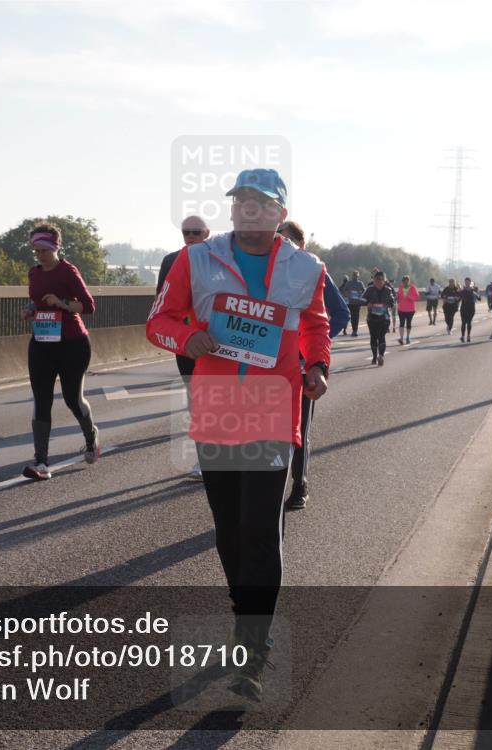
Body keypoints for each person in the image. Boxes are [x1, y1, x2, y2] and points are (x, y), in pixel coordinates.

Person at [146, 168, 330, 702]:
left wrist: (317, 366)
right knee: (228, 529)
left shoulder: (306, 266)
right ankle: (241, 614)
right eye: (242, 201)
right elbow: (158, 321)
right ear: (232, 209)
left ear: (280, 213)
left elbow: (316, 324)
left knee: (260, 528)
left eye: (262, 203)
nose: (250, 209)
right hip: (218, 407)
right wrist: (188, 337)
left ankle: (254, 645)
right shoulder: (196, 259)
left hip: (274, 408)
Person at [277, 220, 348, 511]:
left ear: (301, 246)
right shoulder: (267, 271)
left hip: (302, 367)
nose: (281, 246)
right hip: (270, 366)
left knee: (299, 428)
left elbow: (341, 313)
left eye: (287, 241)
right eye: (277, 240)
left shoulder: (312, 271)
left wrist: (310, 348)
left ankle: (300, 485)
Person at [21, 222, 100, 480]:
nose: (40, 255)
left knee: (72, 400)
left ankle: (91, 438)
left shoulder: (68, 271)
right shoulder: (34, 273)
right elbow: (37, 298)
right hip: (42, 343)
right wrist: (30, 309)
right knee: (41, 400)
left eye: (44, 249)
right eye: (36, 250)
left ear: (55, 247)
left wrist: (62, 303)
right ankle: (41, 462)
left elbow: (88, 306)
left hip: (72, 344)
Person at [158, 216, 211, 481]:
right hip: (187, 346)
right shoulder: (170, 261)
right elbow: (161, 306)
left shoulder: (218, 259)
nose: (190, 236)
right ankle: (203, 460)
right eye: (186, 232)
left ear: (207, 233)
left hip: (217, 344)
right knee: (195, 400)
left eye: (196, 232)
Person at [362, 269, 396, 365]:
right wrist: (367, 303)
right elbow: (362, 299)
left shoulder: (388, 290)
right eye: (377, 279)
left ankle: (381, 356)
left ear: (384, 280)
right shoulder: (369, 289)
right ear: (374, 280)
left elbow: (392, 302)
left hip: (384, 318)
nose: (379, 281)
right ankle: (374, 356)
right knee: (373, 337)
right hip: (371, 318)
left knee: (381, 336)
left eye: (382, 279)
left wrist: (388, 305)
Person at [396, 275, 420, 344]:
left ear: (409, 281)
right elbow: (398, 295)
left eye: (407, 281)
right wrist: (397, 296)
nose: (406, 283)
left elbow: (417, 297)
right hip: (401, 309)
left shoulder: (413, 288)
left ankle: (407, 337)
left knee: (408, 323)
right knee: (401, 323)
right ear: (402, 282)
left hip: (410, 309)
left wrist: (409, 297)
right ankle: (401, 338)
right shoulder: (400, 288)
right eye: (404, 281)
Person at [344, 271, 366, 337]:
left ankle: (355, 331)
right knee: (352, 317)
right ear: (352, 276)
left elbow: (364, 291)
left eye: (356, 276)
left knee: (356, 317)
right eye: (354, 275)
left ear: (358, 276)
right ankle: (352, 329)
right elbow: (344, 291)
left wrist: (361, 295)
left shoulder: (360, 283)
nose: (355, 277)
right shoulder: (348, 283)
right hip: (350, 303)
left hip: (357, 303)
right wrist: (348, 294)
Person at [458, 277, 480, 342]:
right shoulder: (463, 290)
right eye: (466, 282)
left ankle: (468, 336)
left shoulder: (473, 290)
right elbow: (459, 297)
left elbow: (479, 298)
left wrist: (476, 294)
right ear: (465, 282)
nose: (467, 283)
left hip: (471, 308)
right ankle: (463, 336)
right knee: (463, 322)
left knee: (469, 322)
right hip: (464, 308)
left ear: (470, 282)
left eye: (468, 282)